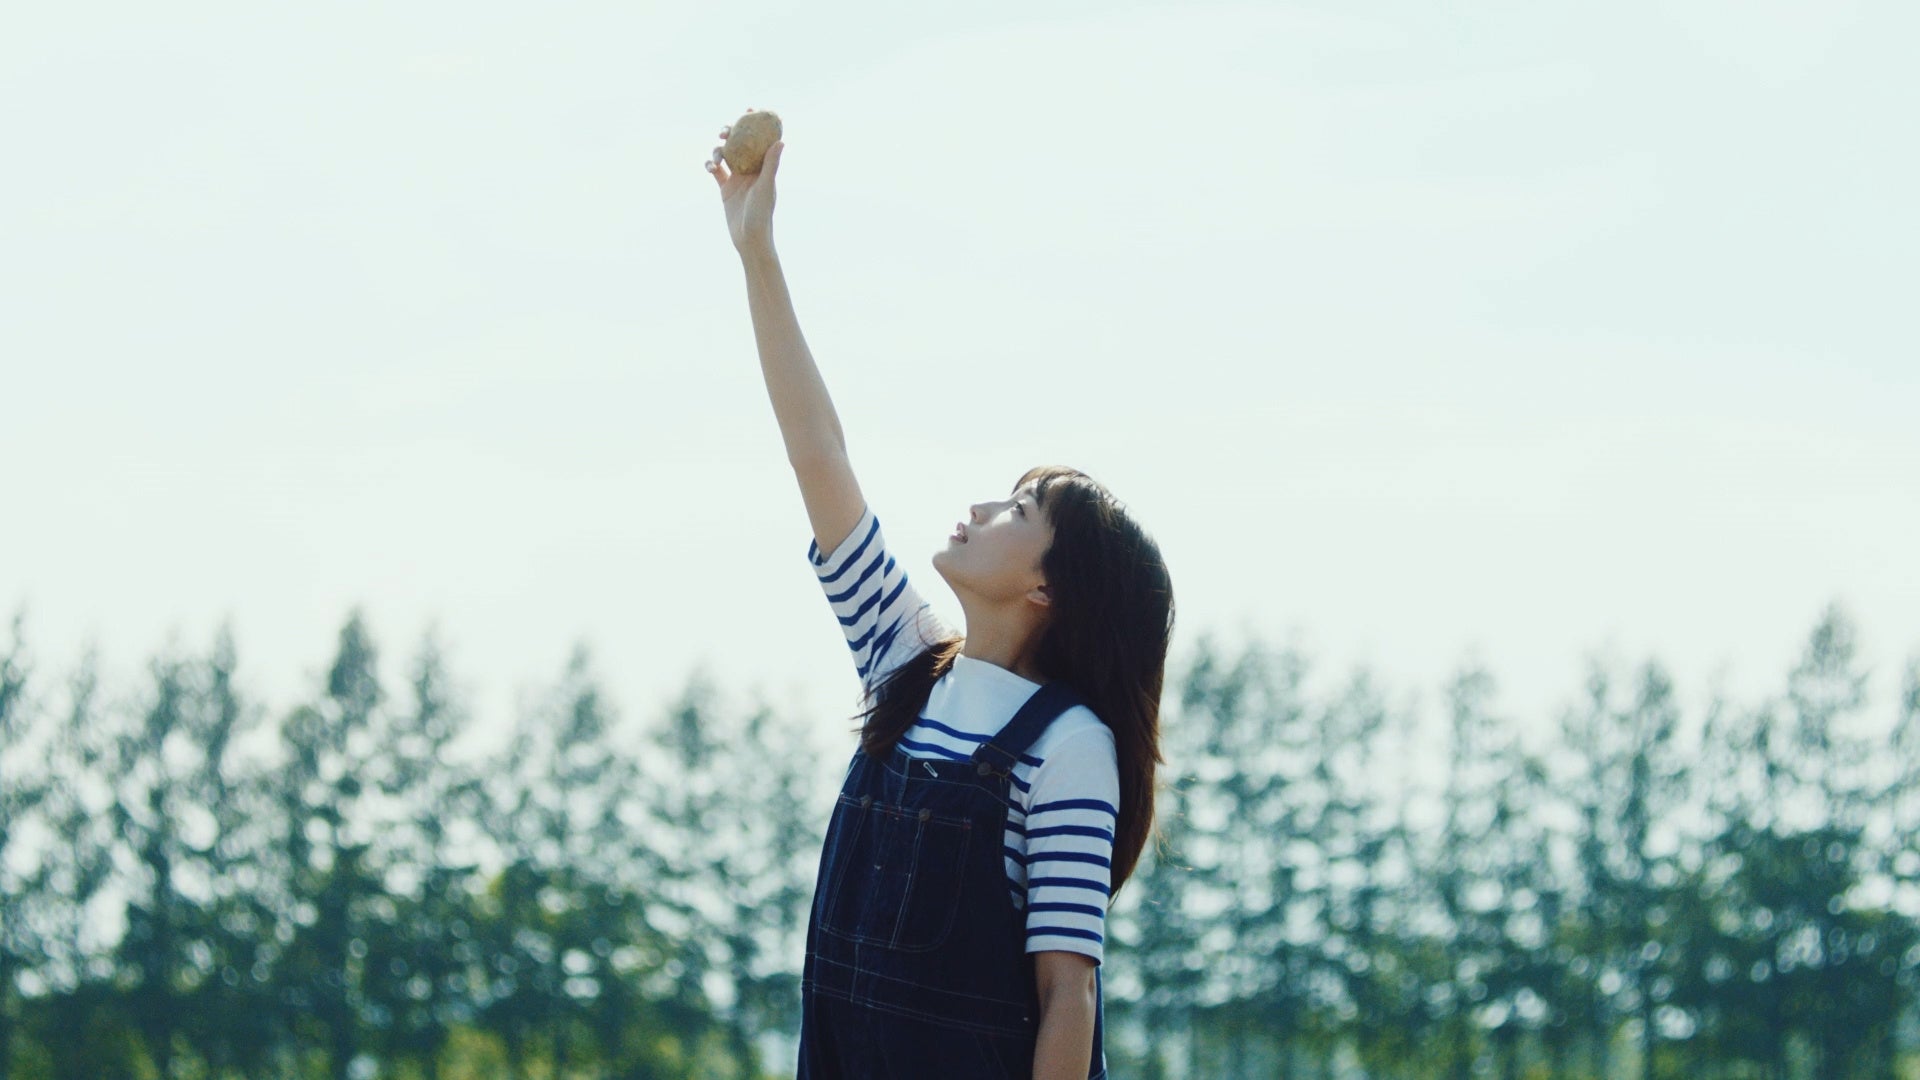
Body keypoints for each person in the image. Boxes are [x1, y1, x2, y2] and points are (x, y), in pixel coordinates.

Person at [706, 111, 1174, 1080]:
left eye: (1018, 508)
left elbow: (1066, 995)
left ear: (1051, 584)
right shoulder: (904, 665)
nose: (979, 507)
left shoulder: (1071, 746)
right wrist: (757, 253)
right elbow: (818, 454)